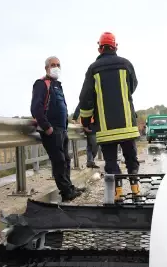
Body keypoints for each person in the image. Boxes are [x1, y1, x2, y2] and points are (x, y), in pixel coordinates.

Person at [78, 32, 140, 201]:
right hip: (127, 124)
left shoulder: (93, 69)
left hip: (106, 128)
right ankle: (135, 190)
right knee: (131, 158)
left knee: (111, 162)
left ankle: (117, 194)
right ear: (115, 47)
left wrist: (85, 120)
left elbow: (85, 98)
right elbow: (132, 86)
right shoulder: (126, 64)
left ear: (100, 48)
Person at [30, 56, 84, 202]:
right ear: (46, 67)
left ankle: (69, 187)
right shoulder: (41, 84)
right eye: (53, 65)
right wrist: (47, 127)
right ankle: (66, 191)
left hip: (62, 130)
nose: (56, 67)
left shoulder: (57, 85)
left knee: (66, 160)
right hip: (51, 131)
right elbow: (36, 108)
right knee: (59, 161)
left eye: (58, 65)